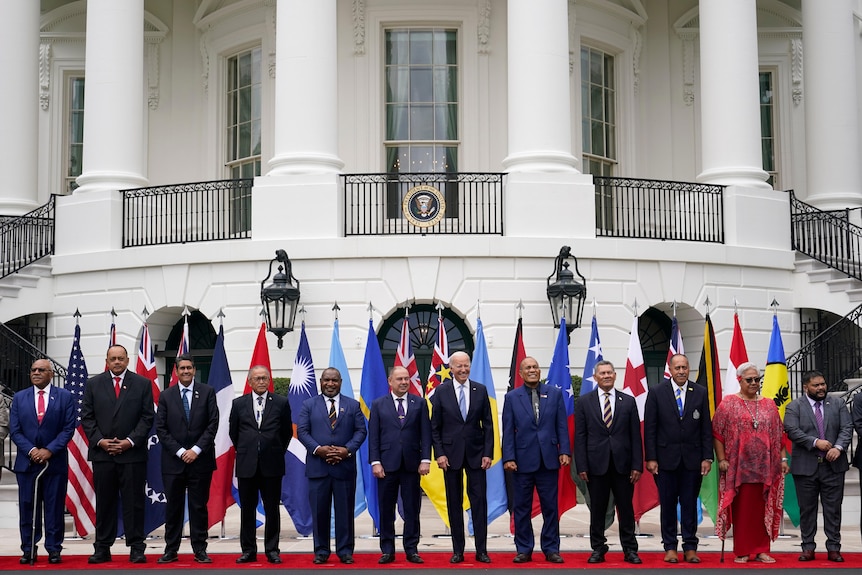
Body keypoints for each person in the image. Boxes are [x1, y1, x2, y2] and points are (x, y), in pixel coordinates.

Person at [81, 344, 155, 564]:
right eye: (112, 358)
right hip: (103, 455)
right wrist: (101, 441)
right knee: (105, 503)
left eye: (120, 358)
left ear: (127, 360)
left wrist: (129, 441)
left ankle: (136, 547)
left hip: (132, 454)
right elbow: (87, 416)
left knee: (134, 503)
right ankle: (102, 547)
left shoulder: (142, 384)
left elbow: (147, 417)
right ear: (107, 360)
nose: (116, 362)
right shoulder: (94, 384)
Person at [712, 362, 788, 564]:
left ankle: (762, 549)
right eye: (750, 380)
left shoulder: (769, 404)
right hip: (739, 469)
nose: (754, 383)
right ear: (740, 381)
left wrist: (782, 458)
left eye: (757, 379)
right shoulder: (728, 403)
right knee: (743, 511)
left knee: (763, 509)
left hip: (766, 469)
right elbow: (717, 434)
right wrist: (722, 459)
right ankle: (743, 550)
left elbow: (778, 435)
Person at [643, 353, 713, 564]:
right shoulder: (656, 392)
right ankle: (670, 546)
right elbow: (650, 428)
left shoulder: (699, 392)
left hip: (692, 460)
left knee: (690, 504)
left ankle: (690, 546)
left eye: (684, 367)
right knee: (668, 505)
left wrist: (707, 457)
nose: (681, 371)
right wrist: (651, 457)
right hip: (665, 461)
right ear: (670, 370)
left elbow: (705, 428)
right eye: (677, 368)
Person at [502, 356, 570, 564]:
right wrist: (509, 457)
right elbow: (508, 430)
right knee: (522, 508)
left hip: (548, 460)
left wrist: (564, 450)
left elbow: (561, 425)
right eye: (528, 368)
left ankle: (551, 548)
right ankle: (524, 548)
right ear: (521, 374)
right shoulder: (512, 397)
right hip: (522, 461)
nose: (532, 370)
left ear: (540, 371)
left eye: (535, 367)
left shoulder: (555, 394)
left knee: (551, 507)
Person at [573, 360, 642, 565]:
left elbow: (635, 437)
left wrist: (637, 465)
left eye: (609, 372)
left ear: (614, 375)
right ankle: (598, 548)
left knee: (626, 509)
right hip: (596, 466)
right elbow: (581, 437)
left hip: (623, 466)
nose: (606, 376)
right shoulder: (584, 402)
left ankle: (629, 549)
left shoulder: (628, 401)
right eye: (602, 373)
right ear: (595, 377)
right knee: (598, 509)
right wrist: (582, 466)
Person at [297, 367, 367, 565]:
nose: (330, 384)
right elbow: (302, 432)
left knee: (345, 512)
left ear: (340, 382)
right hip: (318, 467)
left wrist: (346, 450)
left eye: (334, 380)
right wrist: (319, 449)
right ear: (320, 382)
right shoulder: (308, 405)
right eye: (326, 380)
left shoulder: (353, 406)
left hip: (344, 467)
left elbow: (361, 432)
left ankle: (345, 551)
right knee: (319, 512)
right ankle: (321, 551)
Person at [429, 350, 494, 564]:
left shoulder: (480, 390)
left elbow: (489, 425)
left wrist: (488, 453)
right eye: (459, 366)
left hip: (476, 455)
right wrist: (439, 454)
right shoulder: (441, 391)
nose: (463, 369)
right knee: (454, 503)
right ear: (451, 368)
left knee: (479, 503)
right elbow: (435, 427)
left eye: (466, 365)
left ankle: (482, 550)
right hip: (450, 456)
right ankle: (458, 550)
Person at [9, 359, 76, 564]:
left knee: (54, 507)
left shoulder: (65, 397)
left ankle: (54, 549)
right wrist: (31, 450)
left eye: (41, 370)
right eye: (33, 370)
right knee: (27, 507)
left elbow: (68, 428)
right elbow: (15, 430)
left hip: (54, 463)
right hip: (27, 464)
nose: (36, 373)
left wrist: (49, 450)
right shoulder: (19, 398)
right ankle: (28, 548)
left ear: (51, 374)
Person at [155, 354, 219, 564]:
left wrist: (196, 450)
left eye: (189, 368)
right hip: (174, 461)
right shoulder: (166, 395)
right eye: (181, 368)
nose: (185, 371)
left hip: (200, 461)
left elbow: (213, 425)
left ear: (194, 369)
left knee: (198, 506)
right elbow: (161, 429)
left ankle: (200, 548)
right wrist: (182, 451)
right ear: (176, 370)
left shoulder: (207, 392)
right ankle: (171, 549)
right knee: (173, 507)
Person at [785, 370, 851, 562]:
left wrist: (838, 447)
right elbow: (791, 430)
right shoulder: (794, 407)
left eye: (823, 384)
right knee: (807, 510)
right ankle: (808, 547)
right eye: (816, 385)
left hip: (833, 466)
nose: (821, 388)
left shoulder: (837, 403)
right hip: (805, 468)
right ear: (806, 387)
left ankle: (833, 548)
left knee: (833, 509)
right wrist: (815, 442)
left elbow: (847, 428)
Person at [229, 365, 293, 564]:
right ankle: (248, 550)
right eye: (257, 378)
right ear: (249, 381)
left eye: (264, 378)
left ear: (269, 380)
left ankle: (272, 550)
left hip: (272, 464)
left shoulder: (281, 403)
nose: (261, 381)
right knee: (247, 508)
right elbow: (234, 433)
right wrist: (250, 449)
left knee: (272, 508)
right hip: (247, 464)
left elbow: (286, 433)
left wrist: (272, 450)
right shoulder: (238, 404)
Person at [368, 366, 431, 565]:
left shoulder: (419, 403)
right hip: (386, 465)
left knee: (412, 509)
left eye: (407, 378)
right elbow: (374, 437)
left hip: (412, 465)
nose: (404, 382)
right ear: (390, 381)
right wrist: (375, 462)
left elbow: (426, 434)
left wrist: (425, 459)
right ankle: (387, 550)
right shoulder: (378, 404)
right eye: (400, 379)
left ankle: (411, 549)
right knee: (386, 509)